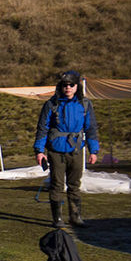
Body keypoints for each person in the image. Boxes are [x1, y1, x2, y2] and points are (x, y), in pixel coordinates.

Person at [34, 70, 99, 228]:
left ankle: (75, 217)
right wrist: (39, 151)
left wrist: (94, 150)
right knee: (57, 185)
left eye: (71, 84)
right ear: (60, 86)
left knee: (75, 184)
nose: (68, 87)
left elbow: (91, 128)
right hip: (56, 151)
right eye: (65, 85)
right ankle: (57, 219)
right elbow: (42, 128)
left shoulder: (85, 104)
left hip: (76, 150)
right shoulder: (51, 104)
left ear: (77, 86)